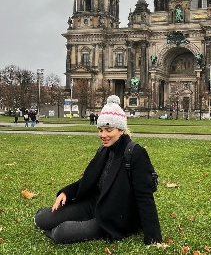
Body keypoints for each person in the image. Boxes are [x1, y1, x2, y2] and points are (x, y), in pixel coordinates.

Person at [34, 95, 162, 245]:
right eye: (100, 130)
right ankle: (58, 227)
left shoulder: (135, 153)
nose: (103, 135)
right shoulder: (104, 150)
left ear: (121, 130)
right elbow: (89, 180)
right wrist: (66, 192)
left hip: (115, 215)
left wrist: (153, 238)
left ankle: (58, 231)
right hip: (94, 203)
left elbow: (144, 197)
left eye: (109, 130)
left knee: (62, 232)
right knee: (42, 218)